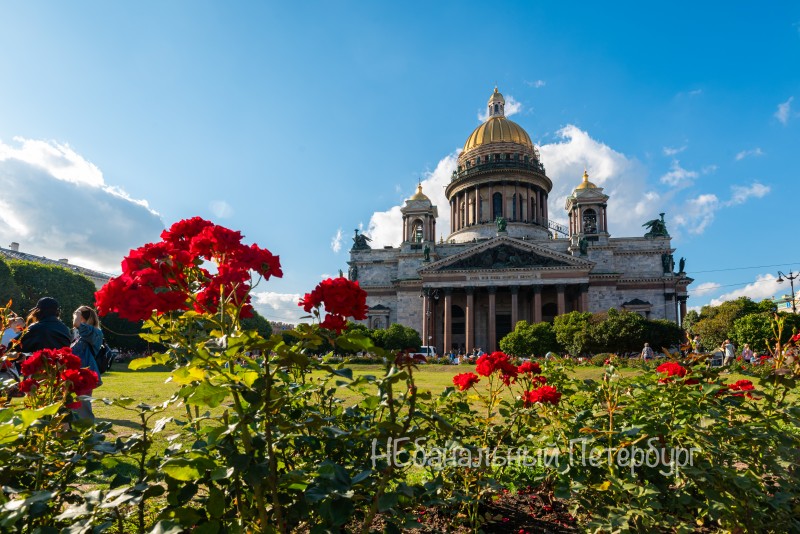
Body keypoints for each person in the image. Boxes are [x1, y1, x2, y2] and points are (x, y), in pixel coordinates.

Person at [69, 305, 103, 421]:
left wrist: (77, 312)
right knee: (73, 406)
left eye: (78, 316)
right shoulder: (79, 335)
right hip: (76, 374)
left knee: (83, 407)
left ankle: (88, 434)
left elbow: (76, 324)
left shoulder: (94, 332)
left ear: (83, 318)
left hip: (86, 375)